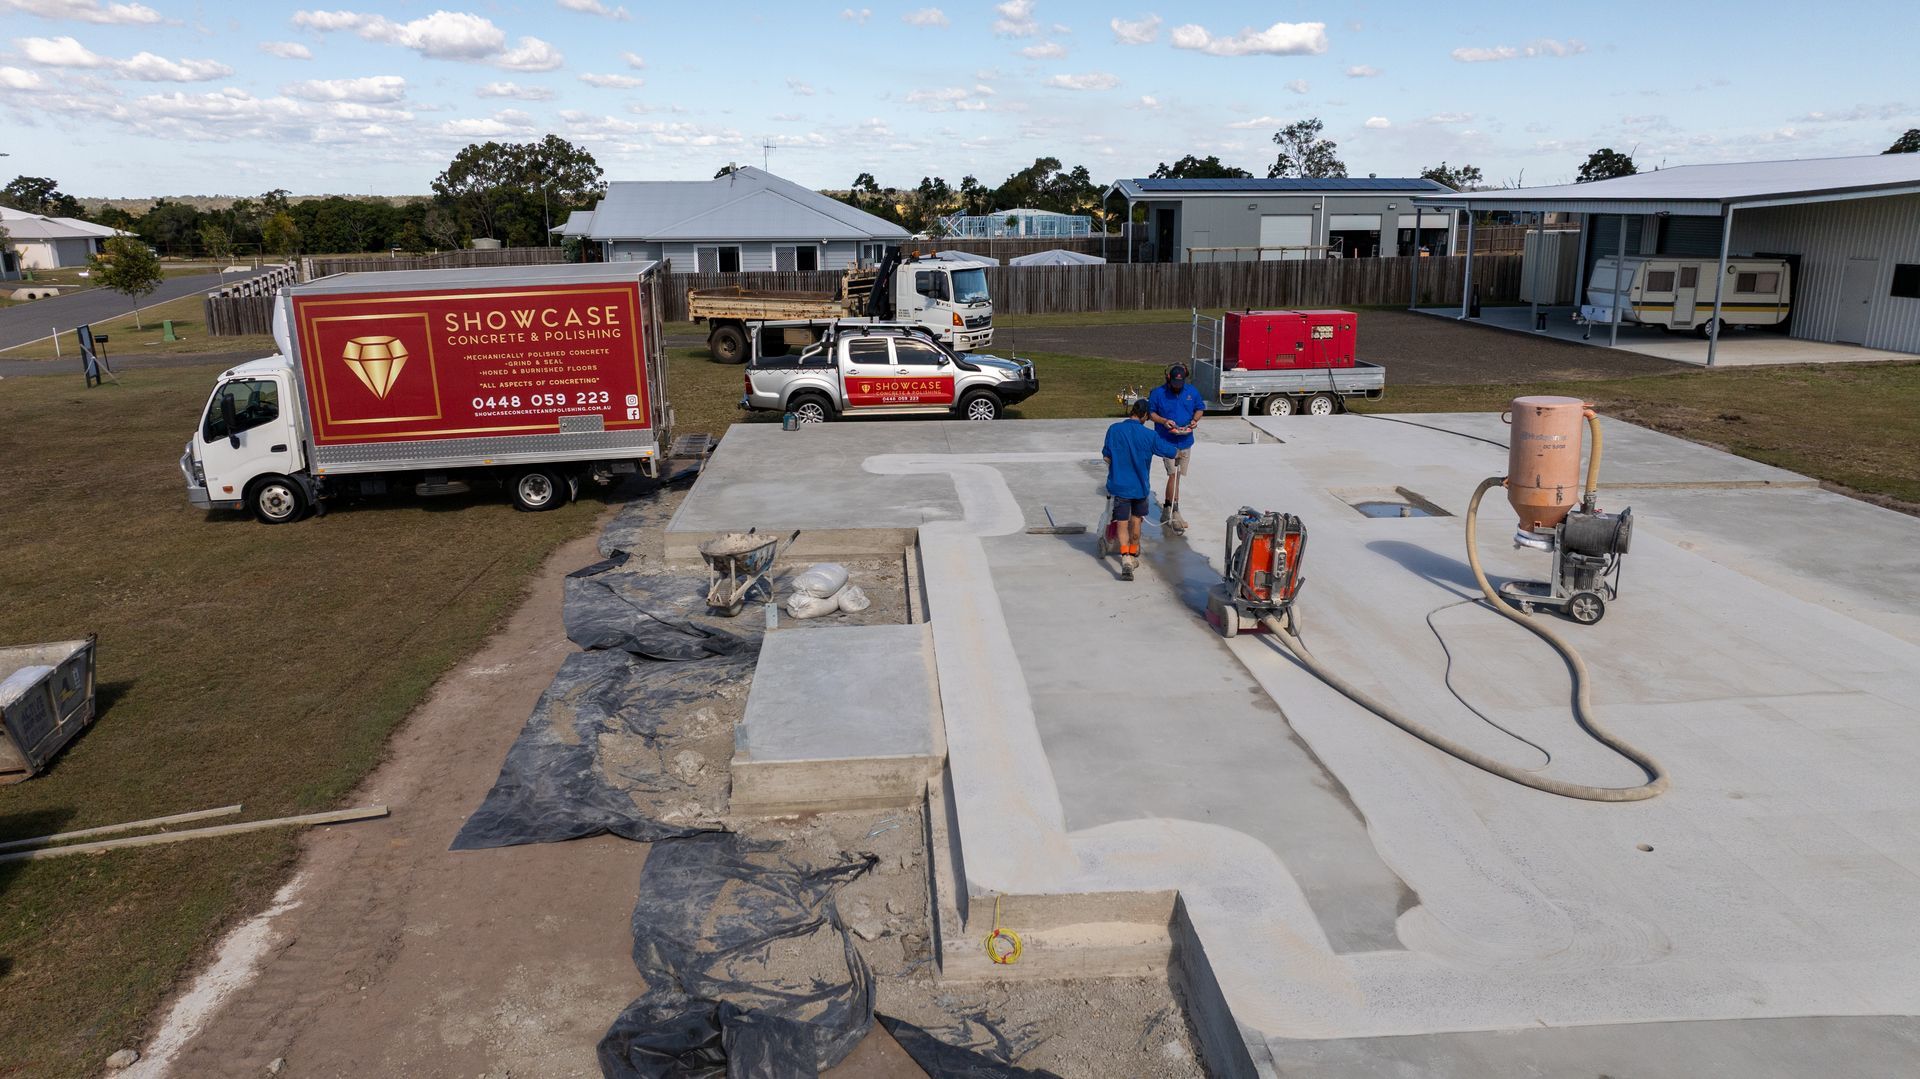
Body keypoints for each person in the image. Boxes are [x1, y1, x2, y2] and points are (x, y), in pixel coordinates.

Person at [1101, 399, 1156, 580]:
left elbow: (1107, 457)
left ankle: (1124, 557)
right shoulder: (1149, 435)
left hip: (1120, 486)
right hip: (1139, 488)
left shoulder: (1114, 429)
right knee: (1136, 522)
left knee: (1122, 523)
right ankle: (1133, 554)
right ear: (1145, 415)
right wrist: (1178, 454)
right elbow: (1168, 450)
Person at [1147, 363, 1205, 532]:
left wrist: (1195, 420)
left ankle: (1167, 509)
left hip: (1185, 440)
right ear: (1168, 379)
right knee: (1173, 474)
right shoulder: (1158, 393)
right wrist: (1164, 422)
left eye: (1180, 385)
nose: (1177, 388)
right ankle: (1175, 511)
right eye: (1174, 384)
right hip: (1167, 440)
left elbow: (1200, 408)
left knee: (1178, 476)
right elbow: (1152, 414)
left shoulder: (1191, 391)